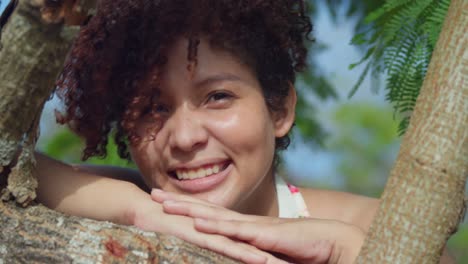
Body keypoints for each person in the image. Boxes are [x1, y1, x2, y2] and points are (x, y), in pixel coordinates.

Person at [35, 0, 454, 263]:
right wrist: (137, 211)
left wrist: (346, 250)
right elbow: (19, 169)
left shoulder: (370, 224)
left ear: (279, 109)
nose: (184, 137)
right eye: (152, 108)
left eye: (217, 96)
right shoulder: (132, 201)